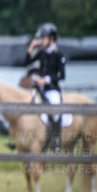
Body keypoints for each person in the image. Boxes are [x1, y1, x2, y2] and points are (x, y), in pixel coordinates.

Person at [25, 22, 66, 152]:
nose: (41, 41)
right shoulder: (41, 53)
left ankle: (56, 140)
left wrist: (47, 79)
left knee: (54, 112)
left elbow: (62, 75)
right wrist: (31, 48)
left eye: (43, 38)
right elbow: (26, 62)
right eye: (40, 38)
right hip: (39, 89)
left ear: (51, 38)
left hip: (51, 89)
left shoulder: (59, 55)